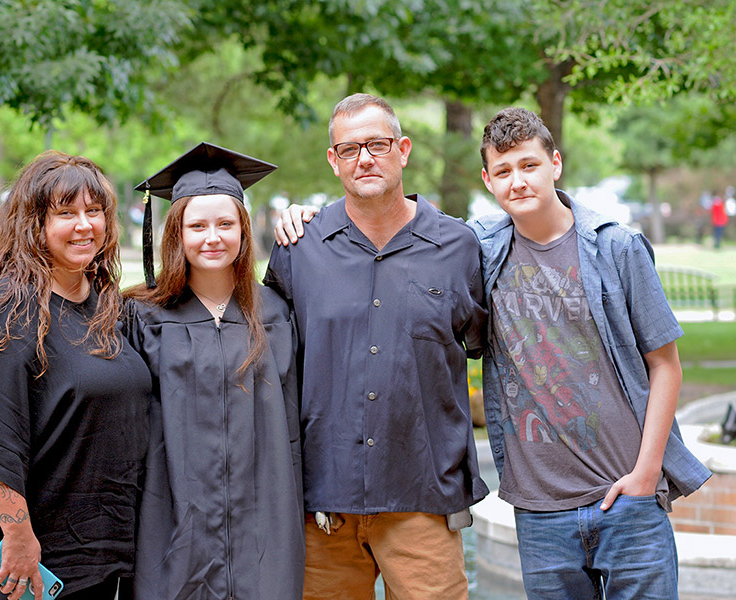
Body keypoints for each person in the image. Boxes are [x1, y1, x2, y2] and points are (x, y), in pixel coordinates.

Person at [470, 108, 712, 599]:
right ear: (488, 180)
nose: (517, 181)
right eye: (503, 171)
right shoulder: (479, 250)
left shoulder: (618, 248)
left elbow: (665, 365)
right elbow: (409, 225)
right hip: (540, 512)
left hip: (627, 499)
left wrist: (646, 474)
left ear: (555, 163)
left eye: (528, 165)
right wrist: (310, 216)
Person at [265, 93, 487, 599]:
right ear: (333, 160)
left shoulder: (458, 247)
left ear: (403, 150)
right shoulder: (299, 249)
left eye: (377, 144)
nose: (364, 158)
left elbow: (480, 344)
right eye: (349, 149)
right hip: (324, 505)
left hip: (423, 499)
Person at [0, 151, 152, 600]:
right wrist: (19, 539)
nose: (84, 225)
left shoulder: (105, 304)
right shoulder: (10, 307)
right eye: (66, 213)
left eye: (94, 211)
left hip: (92, 560)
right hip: (22, 570)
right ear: (33, 225)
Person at [123, 142, 304, 600]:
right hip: (170, 519)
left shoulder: (277, 313)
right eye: (197, 225)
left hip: (264, 521)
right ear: (176, 234)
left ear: (243, 231)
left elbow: (296, 421)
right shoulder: (143, 317)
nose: (212, 237)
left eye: (225, 224)